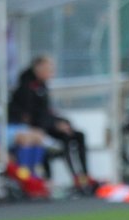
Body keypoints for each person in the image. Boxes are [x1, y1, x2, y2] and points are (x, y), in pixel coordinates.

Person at [8, 55, 97, 194]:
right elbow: (32, 117)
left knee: (78, 135)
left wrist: (63, 122)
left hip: (46, 125)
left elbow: (46, 112)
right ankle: (76, 178)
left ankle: (84, 175)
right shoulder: (26, 88)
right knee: (67, 138)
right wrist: (55, 125)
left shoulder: (42, 86)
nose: (51, 72)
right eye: (48, 69)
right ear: (38, 68)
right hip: (35, 130)